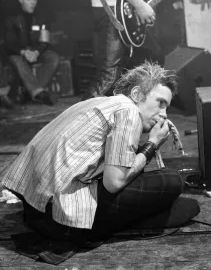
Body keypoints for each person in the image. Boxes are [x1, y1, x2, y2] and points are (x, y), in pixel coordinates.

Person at [1, 61, 199, 264]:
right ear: (138, 94)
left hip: (33, 212)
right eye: (161, 103)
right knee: (174, 182)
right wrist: (153, 144)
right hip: (61, 223)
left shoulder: (95, 102)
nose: (164, 114)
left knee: (174, 200)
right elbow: (113, 183)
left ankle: (131, 216)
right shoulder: (129, 111)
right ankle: (122, 222)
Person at [82, 0, 172, 100]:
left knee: (151, 57)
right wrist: (140, 5)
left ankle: (134, 109)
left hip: (123, 6)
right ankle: (80, 118)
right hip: (112, 11)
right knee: (109, 75)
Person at [4, 0, 59, 106]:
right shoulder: (11, 18)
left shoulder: (42, 17)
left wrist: (37, 52)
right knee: (18, 61)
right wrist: (24, 52)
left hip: (36, 51)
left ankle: (32, 92)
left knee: (53, 57)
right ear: (21, 0)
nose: (32, 2)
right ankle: (38, 92)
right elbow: (9, 43)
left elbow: (45, 41)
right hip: (18, 53)